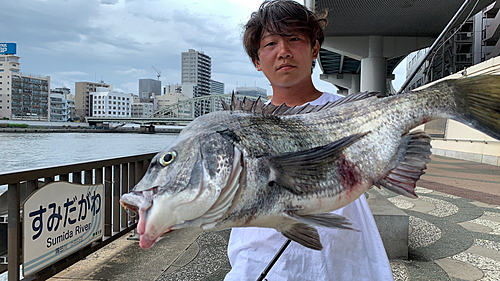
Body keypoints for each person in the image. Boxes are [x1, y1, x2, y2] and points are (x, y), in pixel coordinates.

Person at [224, 1, 394, 280]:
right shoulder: (242, 124)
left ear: (315, 49)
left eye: (294, 39)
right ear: (257, 61)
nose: (284, 52)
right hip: (257, 260)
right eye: (270, 44)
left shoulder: (352, 112)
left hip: (341, 258)